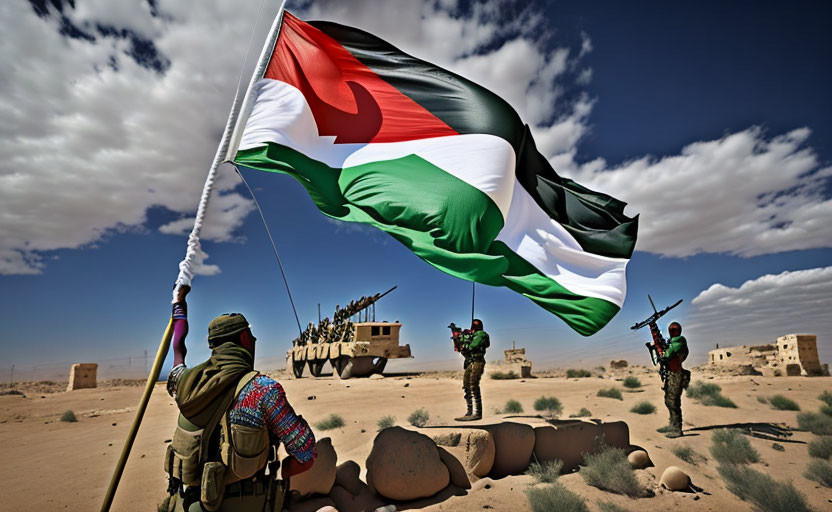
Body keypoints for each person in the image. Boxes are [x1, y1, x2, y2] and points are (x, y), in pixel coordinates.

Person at [162, 285, 317, 512]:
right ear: (245, 339)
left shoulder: (183, 380)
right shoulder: (263, 390)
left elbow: (178, 346)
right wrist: (285, 470)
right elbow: (305, 452)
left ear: (212, 345)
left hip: (186, 504)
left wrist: (178, 304)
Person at [657, 321, 690, 438]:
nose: (672, 331)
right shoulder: (673, 343)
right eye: (671, 330)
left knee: (673, 402)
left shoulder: (679, 342)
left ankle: (677, 429)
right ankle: (672, 424)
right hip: (671, 374)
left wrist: (661, 350)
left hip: (676, 375)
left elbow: (666, 356)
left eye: (674, 330)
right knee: (668, 401)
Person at [453, 318, 490, 421]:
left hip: (477, 362)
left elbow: (472, 346)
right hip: (470, 362)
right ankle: (469, 411)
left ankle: (478, 413)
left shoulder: (481, 334)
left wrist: (463, 341)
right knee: (466, 386)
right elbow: (465, 350)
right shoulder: (472, 336)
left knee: (473, 385)